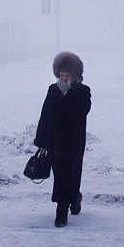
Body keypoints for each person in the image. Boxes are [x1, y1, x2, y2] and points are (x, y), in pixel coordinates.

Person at [34, 51, 92, 228]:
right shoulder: (52, 89)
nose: (64, 78)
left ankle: (65, 207)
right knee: (60, 174)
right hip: (55, 141)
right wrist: (42, 140)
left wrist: (70, 93)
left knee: (72, 172)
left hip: (74, 141)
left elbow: (83, 110)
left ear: (75, 76)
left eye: (67, 75)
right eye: (61, 75)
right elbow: (45, 114)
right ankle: (67, 202)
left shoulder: (83, 91)